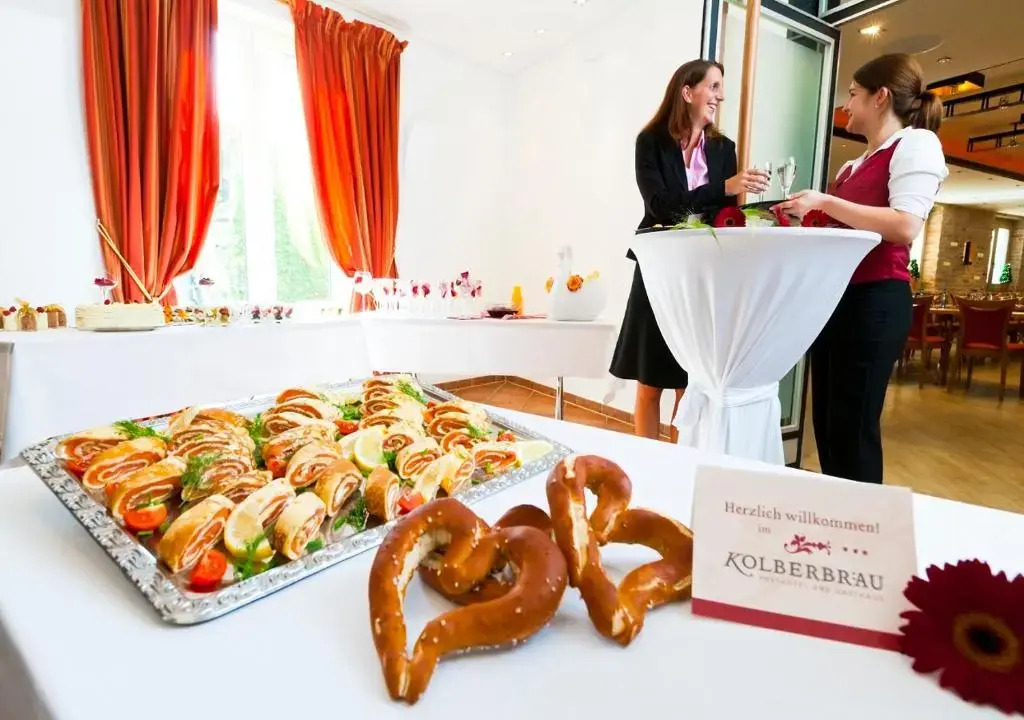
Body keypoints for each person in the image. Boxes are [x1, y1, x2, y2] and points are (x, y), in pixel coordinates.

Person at [774, 53, 947, 483]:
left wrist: (825, 201)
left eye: (853, 94)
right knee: (829, 427)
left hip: (875, 301)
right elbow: (840, 230)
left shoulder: (916, 144)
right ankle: (834, 517)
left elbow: (905, 225)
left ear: (880, 97)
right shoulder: (853, 165)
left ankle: (861, 522)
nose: (847, 105)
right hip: (834, 301)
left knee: (853, 431)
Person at [609, 59, 769, 440]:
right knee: (650, 383)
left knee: (689, 383)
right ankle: (647, 461)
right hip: (658, 272)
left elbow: (724, 216)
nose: (720, 96)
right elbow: (660, 206)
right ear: (687, 92)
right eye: (713, 87)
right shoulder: (650, 141)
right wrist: (723, 188)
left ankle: (679, 462)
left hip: (702, 278)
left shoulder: (723, 149)